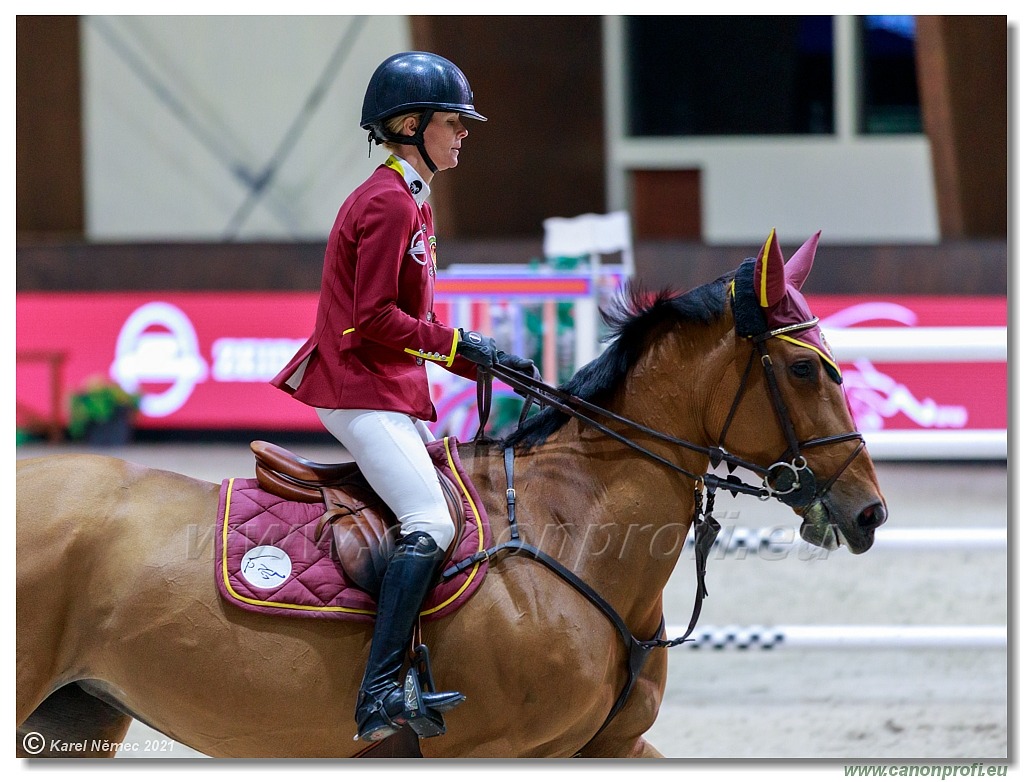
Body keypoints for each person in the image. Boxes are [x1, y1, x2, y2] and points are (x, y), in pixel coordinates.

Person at [271, 51, 534, 743]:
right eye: (454, 122)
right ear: (411, 125)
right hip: (358, 386)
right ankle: (380, 688)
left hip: (384, 386)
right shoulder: (388, 201)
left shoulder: (411, 196)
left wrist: (471, 350)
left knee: (451, 505)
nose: (464, 134)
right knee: (433, 522)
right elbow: (371, 318)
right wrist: (459, 348)